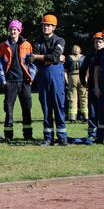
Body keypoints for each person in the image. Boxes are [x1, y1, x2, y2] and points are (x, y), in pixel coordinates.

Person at [29, 15, 69, 146]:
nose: (46, 27)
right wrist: (48, 59)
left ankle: (62, 137)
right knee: (46, 107)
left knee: (59, 106)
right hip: (43, 77)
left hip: (56, 76)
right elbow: (32, 60)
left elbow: (56, 57)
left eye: (48, 25)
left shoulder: (60, 40)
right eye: (44, 25)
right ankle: (48, 137)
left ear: (54, 27)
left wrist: (39, 57)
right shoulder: (37, 42)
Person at [0, 19, 36, 141]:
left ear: (19, 31)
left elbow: (33, 63)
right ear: (9, 30)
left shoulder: (27, 45)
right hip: (10, 82)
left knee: (27, 108)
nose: (13, 31)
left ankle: (28, 135)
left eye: (15, 29)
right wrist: (3, 79)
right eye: (11, 29)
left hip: (24, 82)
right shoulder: (3, 46)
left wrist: (31, 78)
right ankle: (8, 135)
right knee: (8, 109)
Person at [80, 32, 104, 139]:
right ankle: (92, 133)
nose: (98, 44)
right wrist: (84, 82)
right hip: (92, 87)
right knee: (92, 112)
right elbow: (82, 70)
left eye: (100, 41)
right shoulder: (90, 56)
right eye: (96, 42)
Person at [64, 45, 88, 124]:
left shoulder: (69, 58)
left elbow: (65, 70)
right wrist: (87, 79)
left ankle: (72, 117)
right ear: (79, 50)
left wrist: (66, 79)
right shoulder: (83, 58)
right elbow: (87, 70)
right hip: (82, 77)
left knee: (72, 97)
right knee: (84, 97)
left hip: (72, 77)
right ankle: (86, 116)